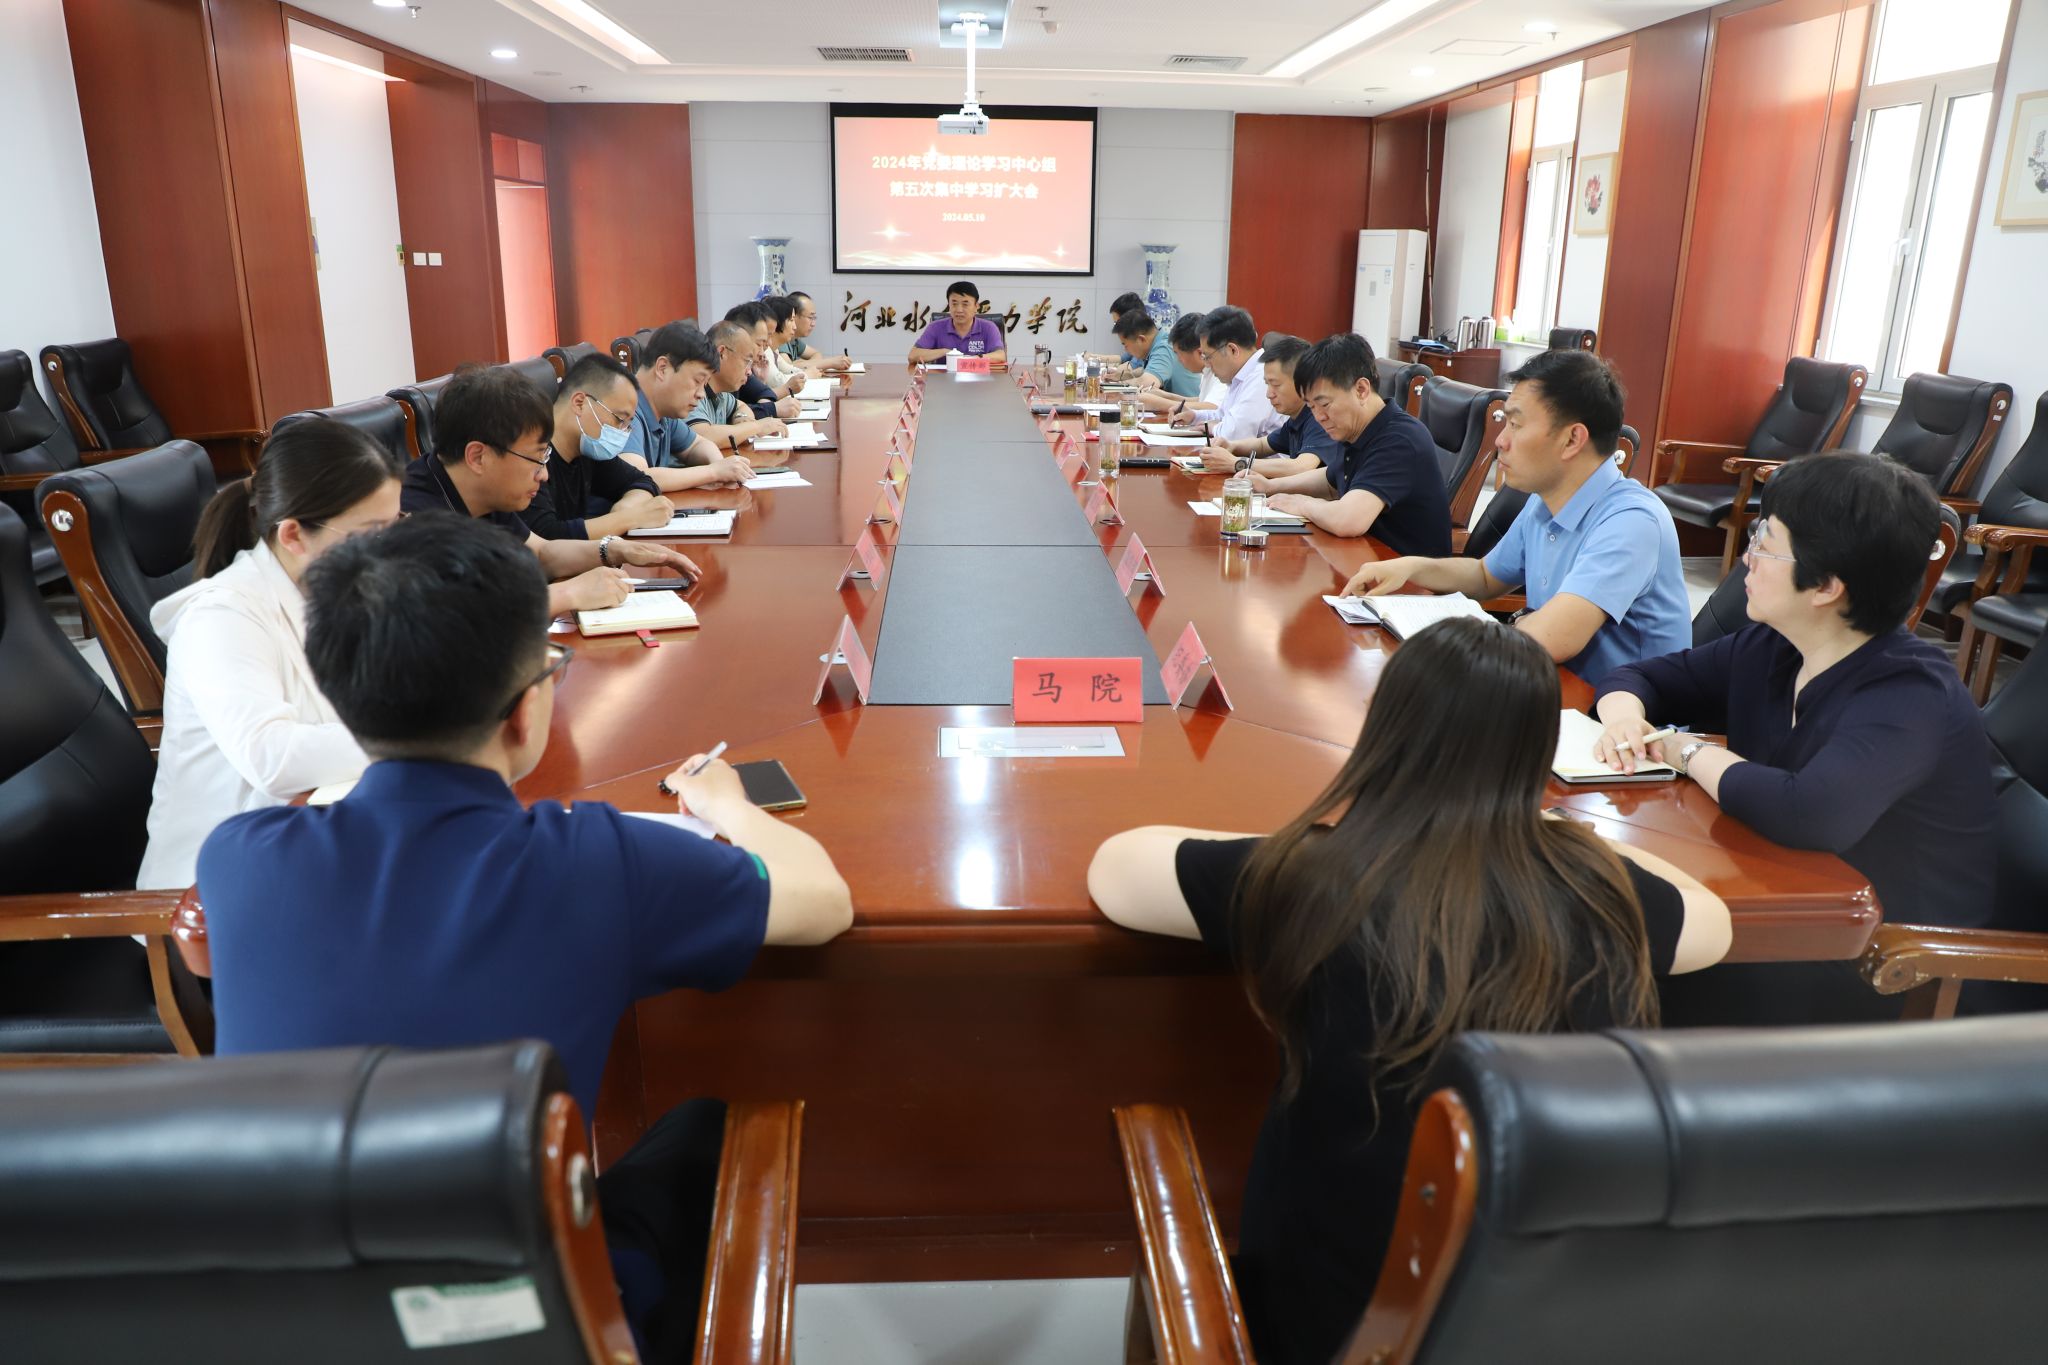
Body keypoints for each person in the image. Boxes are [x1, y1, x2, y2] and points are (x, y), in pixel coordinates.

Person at [196, 513, 851, 1361]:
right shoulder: (597, 861)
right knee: (706, 1133)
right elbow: (823, 900)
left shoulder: (237, 859)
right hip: (523, 1325)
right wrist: (726, 803)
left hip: (292, 1322)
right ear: (524, 710)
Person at [1087, 617, 1729, 1365]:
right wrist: (1581, 841)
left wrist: (1305, 844)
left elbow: (1118, 868)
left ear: (1385, 730)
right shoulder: (1595, 888)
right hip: (1540, 1326)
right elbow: (1711, 921)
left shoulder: (1320, 876)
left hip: (1328, 1329)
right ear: (1536, 755)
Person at [1592, 453, 1995, 1018]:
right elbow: (1640, 677)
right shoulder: (1776, 645)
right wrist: (1623, 717)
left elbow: (1808, 813)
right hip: (1784, 901)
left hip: (1886, 963)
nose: (1747, 558)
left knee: (1609, 962)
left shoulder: (1909, 692)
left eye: (1765, 542)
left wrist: (1688, 751)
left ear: (1826, 585)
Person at [135, 419, 400, 888]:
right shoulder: (221, 617)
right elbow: (272, 758)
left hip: (312, 835)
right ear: (294, 535)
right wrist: (423, 737)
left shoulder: (332, 590)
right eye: (371, 535)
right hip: (214, 889)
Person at [1340, 349, 1689, 678]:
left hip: (1618, 712)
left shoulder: (1632, 521)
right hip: (1550, 683)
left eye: (1516, 425)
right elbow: (1485, 577)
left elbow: (1552, 638)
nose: (1500, 441)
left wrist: (1482, 631)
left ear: (1572, 440)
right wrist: (1409, 568)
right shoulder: (1544, 500)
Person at [398, 364, 698, 616]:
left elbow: (541, 553)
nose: (544, 474)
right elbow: (457, 616)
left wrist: (613, 549)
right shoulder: (413, 517)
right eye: (537, 458)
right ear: (478, 457)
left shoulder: (484, 491)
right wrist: (568, 594)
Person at [1252, 332, 1451, 552]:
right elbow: (1331, 481)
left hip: (1405, 569)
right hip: (1366, 555)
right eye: (1311, 407)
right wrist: (1271, 487)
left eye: (1324, 404)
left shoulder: (1400, 439)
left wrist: (1302, 504)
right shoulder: (1357, 428)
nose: (1319, 417)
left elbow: (1348, 520)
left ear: (1361, 390)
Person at [521, 354, 678, 541]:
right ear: (580, 403)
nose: (622, 432)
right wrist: (629, 518)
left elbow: (642, 481)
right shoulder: (530, 457)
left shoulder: (586, 448)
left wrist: (626, 508)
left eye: (627, 424)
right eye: (619, 419)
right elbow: (547, 537)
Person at [620, 320, 754, 485]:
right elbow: (637, 476)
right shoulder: (624, 408)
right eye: (697, 381)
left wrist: (720, 464)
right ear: (662, 368)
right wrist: (714, 472)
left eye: (704, 384)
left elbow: (697, 444)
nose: (701, 394)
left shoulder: (664, 413)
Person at [1195, 334, 1340, 476]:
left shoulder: (1319, 417)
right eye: (1267, 384)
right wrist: (1231, 446)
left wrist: (1236, 463)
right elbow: (1263, 445)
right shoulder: (1296, 419)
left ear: (1302, 382)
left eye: (1275, 385)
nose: (1269, 394)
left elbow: (1301, 466)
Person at [1166, 306, 1281, 444]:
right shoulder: (1241, 374)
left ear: (1232, 350)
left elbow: (1234, 434)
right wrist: (1194, 416)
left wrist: (1213, 428)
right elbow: (1222, 415)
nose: (1207, 364)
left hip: (1259, 458)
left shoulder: (1262, 375)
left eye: (1208, 356)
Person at [689, 320, 791, 453]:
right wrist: (756, 427)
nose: (749, 372)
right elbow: (703, 437)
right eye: (746, 361)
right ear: (722, 353)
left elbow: (740, 406)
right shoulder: (693, 391)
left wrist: (741, 418)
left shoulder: (721, 394)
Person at [723, 300, 801, 419]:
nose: (768, 345)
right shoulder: (710, 383)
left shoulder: (745, 368)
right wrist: (772, 408)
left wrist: (762, 385)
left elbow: (762, 393)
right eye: (759, 343)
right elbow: (732, 414)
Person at [908, 280, 1008, 364]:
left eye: (965, 304)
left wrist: (971, 359)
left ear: (976, 306)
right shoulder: (935, 327)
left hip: (980, 380)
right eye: (954, 304)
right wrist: (945, 352)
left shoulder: (989, 327)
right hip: (943, 379)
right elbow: (912, 356)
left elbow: (1000, 356)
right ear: (949, 305)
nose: (959, 310)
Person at [1114, 307, 1202, 399]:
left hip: (1190, 405)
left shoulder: (1164, 347)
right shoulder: (1155, 343)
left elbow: (1147, 383)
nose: (1125, 350)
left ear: (1141, 339)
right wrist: (1123, 376)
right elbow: (1147, 371)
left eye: (1125, 344)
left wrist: (1117, 386)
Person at [782, 290, 852, 373]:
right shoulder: (781, 338)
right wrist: (831, 362)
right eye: (810, 317)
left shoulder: (794, 340)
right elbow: (788, 368)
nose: (813, 324)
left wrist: (804, 364)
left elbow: (816, 354)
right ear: (793, 316)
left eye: (814, 318)